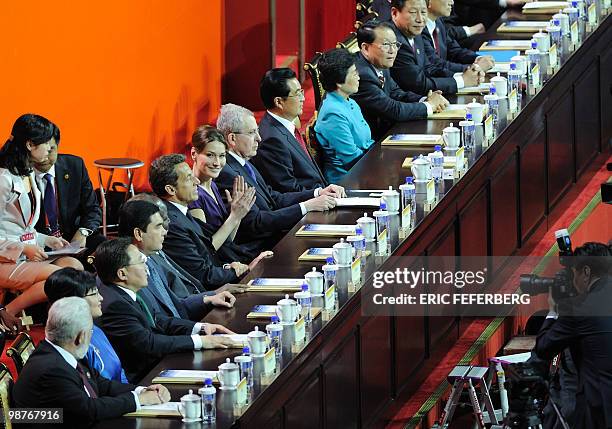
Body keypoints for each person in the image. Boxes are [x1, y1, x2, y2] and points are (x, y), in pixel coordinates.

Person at [12, 297, 170, 427]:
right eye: (91, 332)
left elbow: (100, 384)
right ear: (80, 337)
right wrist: (138, 400)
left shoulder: (61, 350)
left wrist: (141, 391)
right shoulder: (52, 369)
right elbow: (87, 410)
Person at [95, 238, 235, 382]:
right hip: (144, 378)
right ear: (122, 274)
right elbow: (149, 344)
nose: (146, 268)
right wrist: (200, 341)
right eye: (141, 262)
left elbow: (158, 319)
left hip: (159, 363)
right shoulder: (115, 304)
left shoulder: (125, 291)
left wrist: (201, 327)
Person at [215, 103, 337, 251]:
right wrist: (307, 207)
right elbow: (256, 222)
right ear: (232, 139)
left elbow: (273, 198)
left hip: (275, 237)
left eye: (257, 131)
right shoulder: (229, 175)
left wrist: (317, 193)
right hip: (261, 249)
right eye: (252, 132)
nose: (259, 138)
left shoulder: (244, 163)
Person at [0, 114, 83, 325]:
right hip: (6, 258)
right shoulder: (3, 179)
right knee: (63, 278)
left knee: (75, 267)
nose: (51, 149)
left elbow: (20, 227)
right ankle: (7, 312)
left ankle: (53, 322)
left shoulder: (26, 172)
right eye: (47, 144)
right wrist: (24, 249)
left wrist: (45, 240)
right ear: (29, 144)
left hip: (25, 254)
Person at [150, 154, 273, 289]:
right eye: (189, 178)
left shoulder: (180, 211)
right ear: (171, 189)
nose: (196, 181)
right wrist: (245, 270)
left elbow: (208, 251)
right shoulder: (172, 224)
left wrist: (229, 267)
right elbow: (203, 275)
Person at [118, 199, 238, 321]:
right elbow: (160, 322)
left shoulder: (151, 257)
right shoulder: (131, 271)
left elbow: (175, 306)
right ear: (138, 234)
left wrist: (212, 296)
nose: (165, 232)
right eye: (158, 226)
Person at [534, 242, 612, 429]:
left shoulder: (579, 307)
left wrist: (553, 310)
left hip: (601, 411)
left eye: (574, 273)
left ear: (585, 272)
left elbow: (544, 347)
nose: (573, 281)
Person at [128, 192, 250, 297]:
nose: (165, 231)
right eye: (159, 226)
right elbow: (170, 310)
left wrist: (230, 268)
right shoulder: (138, 266)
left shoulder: (157, 253)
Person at [352, 20, 449, 139]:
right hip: (371, 143)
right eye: (386, 45)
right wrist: (429, 105)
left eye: (395, 44)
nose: (392, 51)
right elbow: (393, 110)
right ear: (366, 48)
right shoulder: (361, 74)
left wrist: (424, 99)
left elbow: (395, 93)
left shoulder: (380, 61)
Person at [254, 68, 344, 194]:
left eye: (302, 92)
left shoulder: (286, 125)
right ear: (279, 102)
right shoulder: (271, 140)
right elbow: (288, 190)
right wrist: (319, 193)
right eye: (297, 94)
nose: (303, 98)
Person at [44, 268, 128, 383]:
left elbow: (119, 372)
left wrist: (137, 392)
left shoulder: (95, 329)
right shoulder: (74, 346)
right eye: (94, 294)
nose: (101, 298)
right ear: (72, 301)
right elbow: (95, 390)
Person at [31, 122, 103, 252]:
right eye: (39, 150)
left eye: (50, 149)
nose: (44, 157)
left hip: (72, 238)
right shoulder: (20, 176)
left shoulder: (75, 166)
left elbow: (93, 209)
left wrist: (83, 232)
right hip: (38, 244)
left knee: (109, 250)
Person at [388, 0, 483, 96]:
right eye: (413, 12)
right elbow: (418, 84)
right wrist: (462, 81)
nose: (420, 19)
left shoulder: (414, 32)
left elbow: (429, 68)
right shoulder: (393, 40)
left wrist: (465, 75)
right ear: (394, 13)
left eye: (423, 12)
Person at [189, 124, 256, 250]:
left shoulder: (213, 185)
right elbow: (207, 249)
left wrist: (237, 215)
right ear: (194, 154)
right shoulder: (193, 196)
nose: (217, 163)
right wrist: (234, 216)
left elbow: (229, 240)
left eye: (222, 156)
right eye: (210, 155)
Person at [314, 48, 375, 183]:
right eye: (354, 73)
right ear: (339, 82)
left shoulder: (349, 101)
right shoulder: (332, 113)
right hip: (348, 179)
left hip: (366, 166)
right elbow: (351, 159)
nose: (359, 77)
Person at [422, 0, 494, 73]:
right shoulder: (419, 29)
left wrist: (477, 58)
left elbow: (454, 50)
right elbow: (436, 64)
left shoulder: (438, 22)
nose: (452, 2)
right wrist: (476, 67)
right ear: (430, 2)